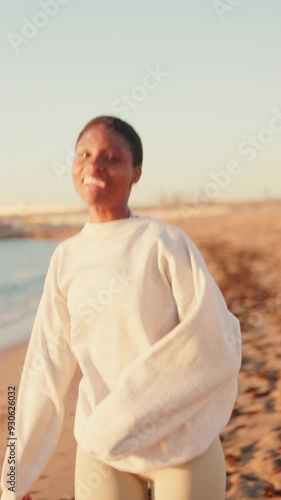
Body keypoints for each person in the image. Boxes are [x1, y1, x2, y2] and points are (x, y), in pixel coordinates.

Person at [0, 116, 242, 500]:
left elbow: (215, 340)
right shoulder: (66, 258)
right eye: (85, 154)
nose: (94, 165)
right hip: (103, 451)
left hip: (182, 443)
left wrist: (128, 413)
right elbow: (42, 369)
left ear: (135, 173)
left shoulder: (164, 242)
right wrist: (14, 477)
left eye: (112, 158)